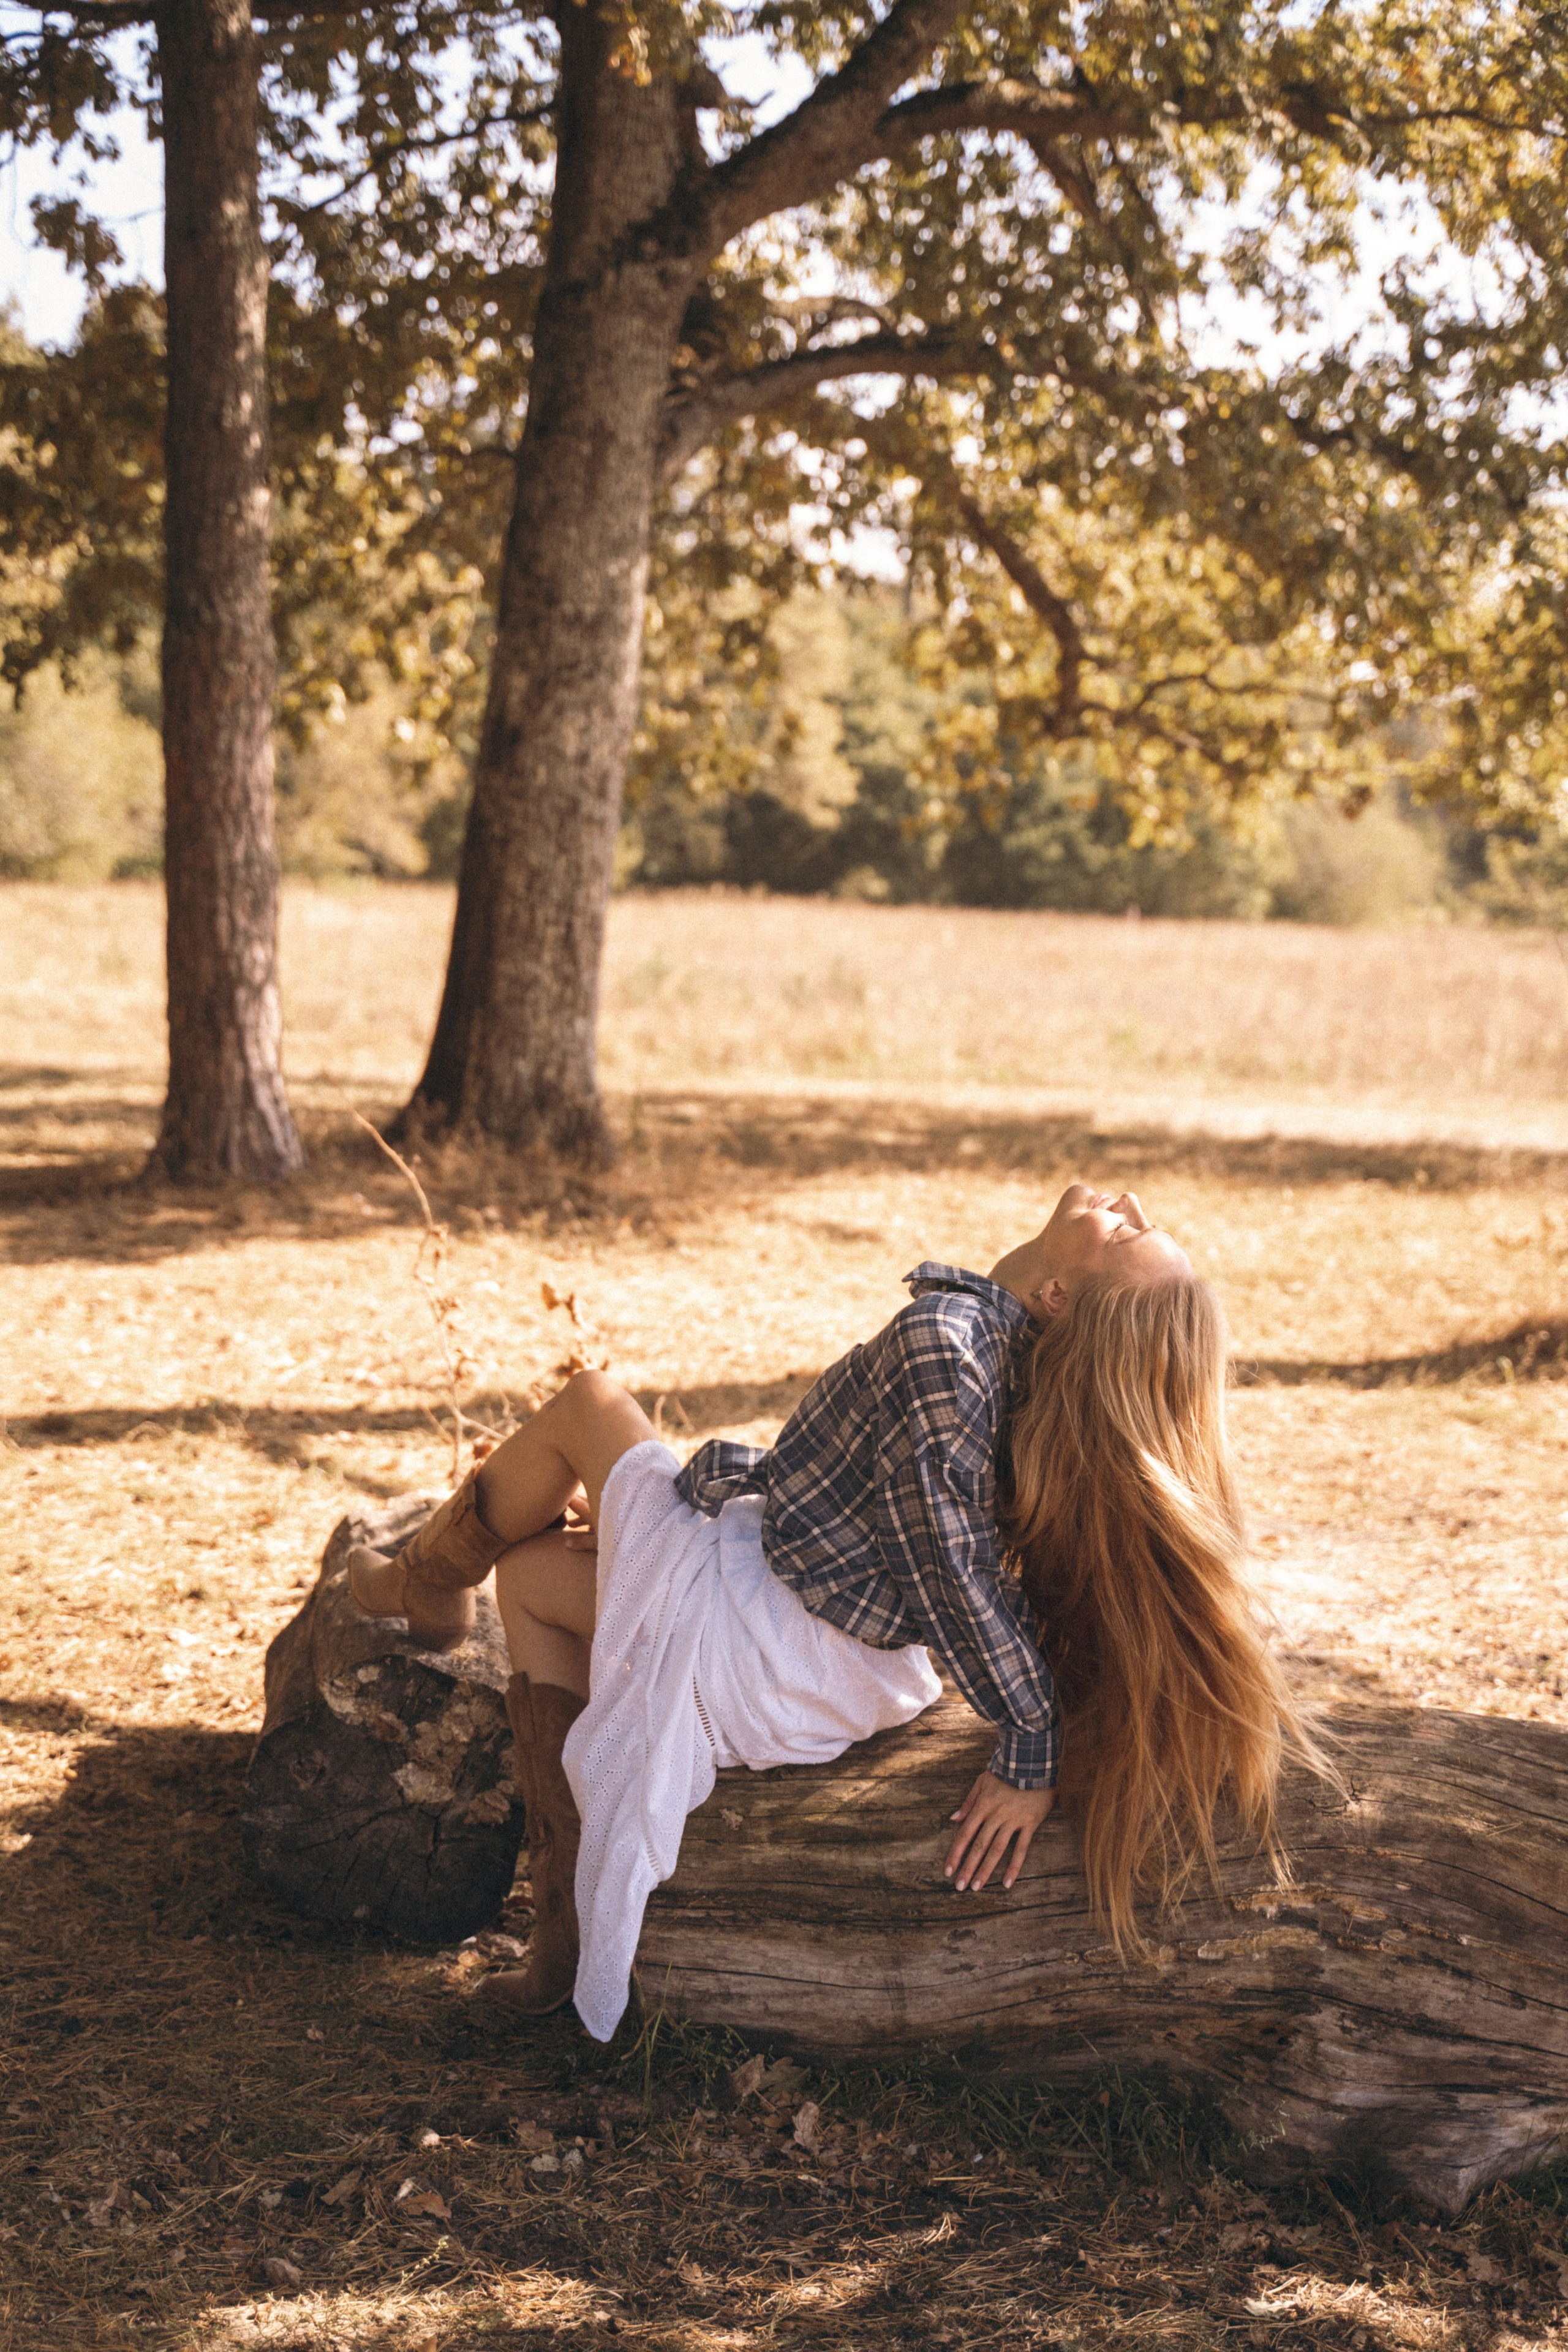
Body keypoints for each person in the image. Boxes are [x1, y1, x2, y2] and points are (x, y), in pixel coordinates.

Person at [347, 1183, 1315, 2037]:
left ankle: (422, 1586)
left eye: (1124, 1231)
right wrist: (712, 1496)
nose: (1131, 1202)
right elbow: (871, 1506)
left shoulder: (951, 1350)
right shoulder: (991, 1357)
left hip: (781, 1644)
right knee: (529, 1583)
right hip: (819, 1632)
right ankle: (559, 1934)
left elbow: (950, 1565)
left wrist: (1031, 1739)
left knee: (593, 1403)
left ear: (1059, 1295)